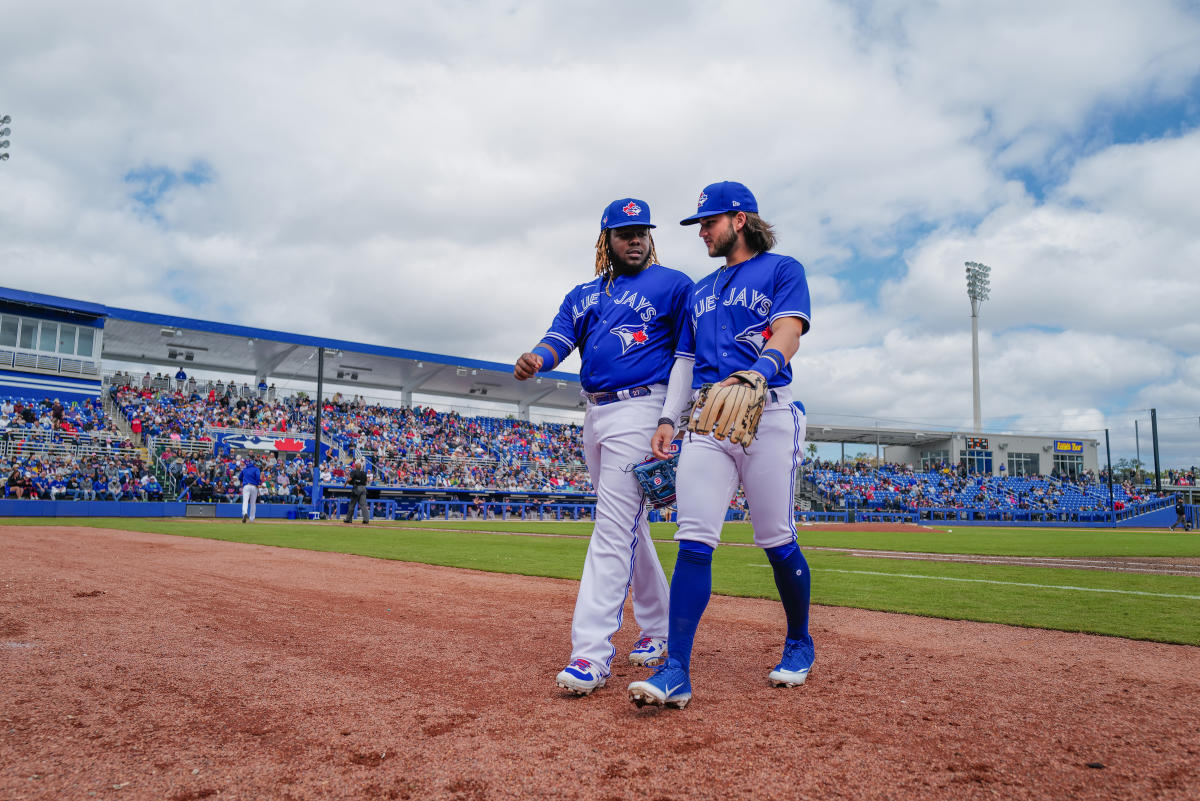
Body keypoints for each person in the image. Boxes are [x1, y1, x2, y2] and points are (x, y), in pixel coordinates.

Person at [628, 181, 815, 710]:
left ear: (739, 219)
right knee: (694, 538)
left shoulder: (782, 269)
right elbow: (684, 362)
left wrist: (756, 373)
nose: (702, 232)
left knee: (775, 537)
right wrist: (669, 419)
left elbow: (789, 331)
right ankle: (675, 671)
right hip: (709, 417)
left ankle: (800, 641)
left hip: (768, 409)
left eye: (708, 222)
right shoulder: (700, 290)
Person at [513, 197, 693, 696]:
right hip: (594, 412)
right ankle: (657, 629)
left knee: (612, 530)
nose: (634, 239)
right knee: (630, 528)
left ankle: (590, 653)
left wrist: (670, 418)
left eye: (641, 231)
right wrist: (536, 360)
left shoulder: (674, 285)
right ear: (605, 240)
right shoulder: (583, 293)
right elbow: (557, 340)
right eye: (624, 233)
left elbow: (688, 355)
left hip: (641, 409)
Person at [344, 460, 370, 524]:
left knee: (352, 504)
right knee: (363, 505)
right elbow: (367, 481)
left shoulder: (354, 472)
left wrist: (345, 483)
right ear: (360, 467)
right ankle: (366, 520)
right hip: (363, 488)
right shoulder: (364, 473)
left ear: (355, 466)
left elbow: (350, 479)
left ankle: (348, 519)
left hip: (356, 488)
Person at [240, 458, 261, 523]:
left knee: (245, 501)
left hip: (246, 486)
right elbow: (258, 477)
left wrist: (243, 480)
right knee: (253, 503)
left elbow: (240, 477)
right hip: (254, 486)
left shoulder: (244, 469)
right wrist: (258, 483)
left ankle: (244, 513)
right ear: (253, 464)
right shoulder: (256, 469)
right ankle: (252, 519)